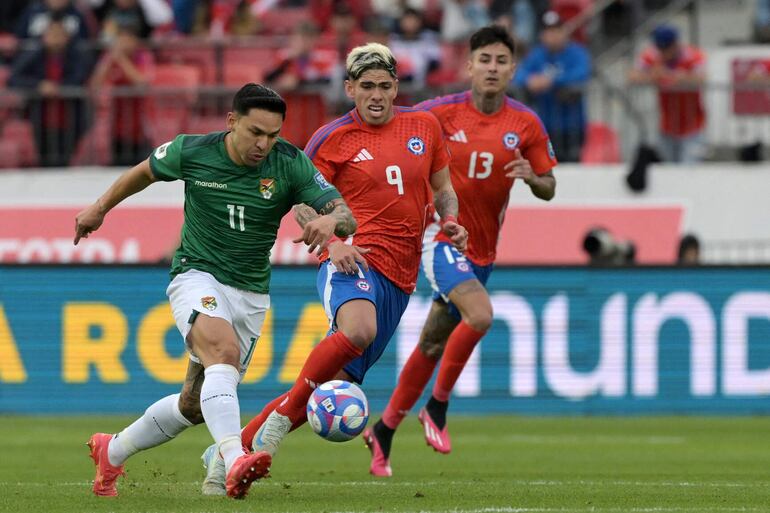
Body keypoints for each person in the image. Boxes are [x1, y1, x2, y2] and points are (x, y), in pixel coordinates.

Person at [198, 42, 468, 495]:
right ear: (350, 88)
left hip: (401, 279)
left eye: (385, 86)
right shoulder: (331, 138)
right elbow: (300, 201)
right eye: (367, 87)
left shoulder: (424, 126)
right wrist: (336, 240)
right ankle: (280, 422)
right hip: (351, 257)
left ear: (397, 86)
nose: (377, 95)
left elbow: (441, 186)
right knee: (358, 330)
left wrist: (452, 220)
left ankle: (229, 454)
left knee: (331, 382)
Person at [75, 83, 357, 499]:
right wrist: (99, 208)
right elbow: (144, 172)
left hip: (250, 293)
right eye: (255, 132)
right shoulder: (194, 150)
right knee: (222, 352)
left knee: (192, 403)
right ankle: (233, 456)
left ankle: (111, 451)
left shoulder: (290, 163)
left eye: (273, 134)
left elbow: (344, 213)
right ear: (231, 122)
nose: (264, 144)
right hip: (196, 274)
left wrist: (334, 224)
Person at [365, 25, 557, 477]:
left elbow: (549, 186)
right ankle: (437, 406)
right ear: (469, 66)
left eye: (501, 61)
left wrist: (533, 177)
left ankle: (385, 430)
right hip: (440, 236)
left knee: (432, 340)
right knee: (481, 316)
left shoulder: (525, 123)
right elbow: (393, 123)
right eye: (484, 60)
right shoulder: (438, 114)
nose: (492, 68)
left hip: (484, 251)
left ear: (513, 69)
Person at [7, 16, 92, 167]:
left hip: (70, 117)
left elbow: (80, 77)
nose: (55, 39)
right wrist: (39, 85)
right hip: (41, 117)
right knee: (44, 158)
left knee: (65, 158)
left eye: (59, 34)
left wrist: (59, 88)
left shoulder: (77, 56)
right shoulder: (34, 55)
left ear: (67, 37)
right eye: (52, 34)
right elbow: (14, 78)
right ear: (44, 37)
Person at [514, 10, 591, 162]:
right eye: (548, 31)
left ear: (565, 32)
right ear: (542, 35)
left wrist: (551, 80)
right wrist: (530, 80)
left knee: (572, 168)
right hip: (545, 125)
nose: (553, 35)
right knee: (546, 168)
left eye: (557, 30)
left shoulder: (577, 52)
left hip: (572, 126)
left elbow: (582, 73)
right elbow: (518, 75)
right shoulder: (537, 54)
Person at [628, 24, 707, 164]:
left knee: (688, 171)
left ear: (675, 44)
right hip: (667, 128)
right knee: (668, 172)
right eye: (660, 48)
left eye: (665, 48)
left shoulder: (693, 56)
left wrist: (675, 77)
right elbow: (632, 76)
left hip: (692, 127)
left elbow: (702, 78)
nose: (663, 53)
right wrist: (652, 76)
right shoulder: (652, 56)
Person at [89, 21, 155, 166]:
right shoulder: (110, 58)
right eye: (120, 39)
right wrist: (108, 60)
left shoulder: (143, 56)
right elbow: (94, 84)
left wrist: (121, 59)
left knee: (143, 170)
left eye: (127, 39)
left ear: (135, 40)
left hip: (140, 129)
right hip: (117, 128)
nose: (123, 43)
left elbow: (142, 82)